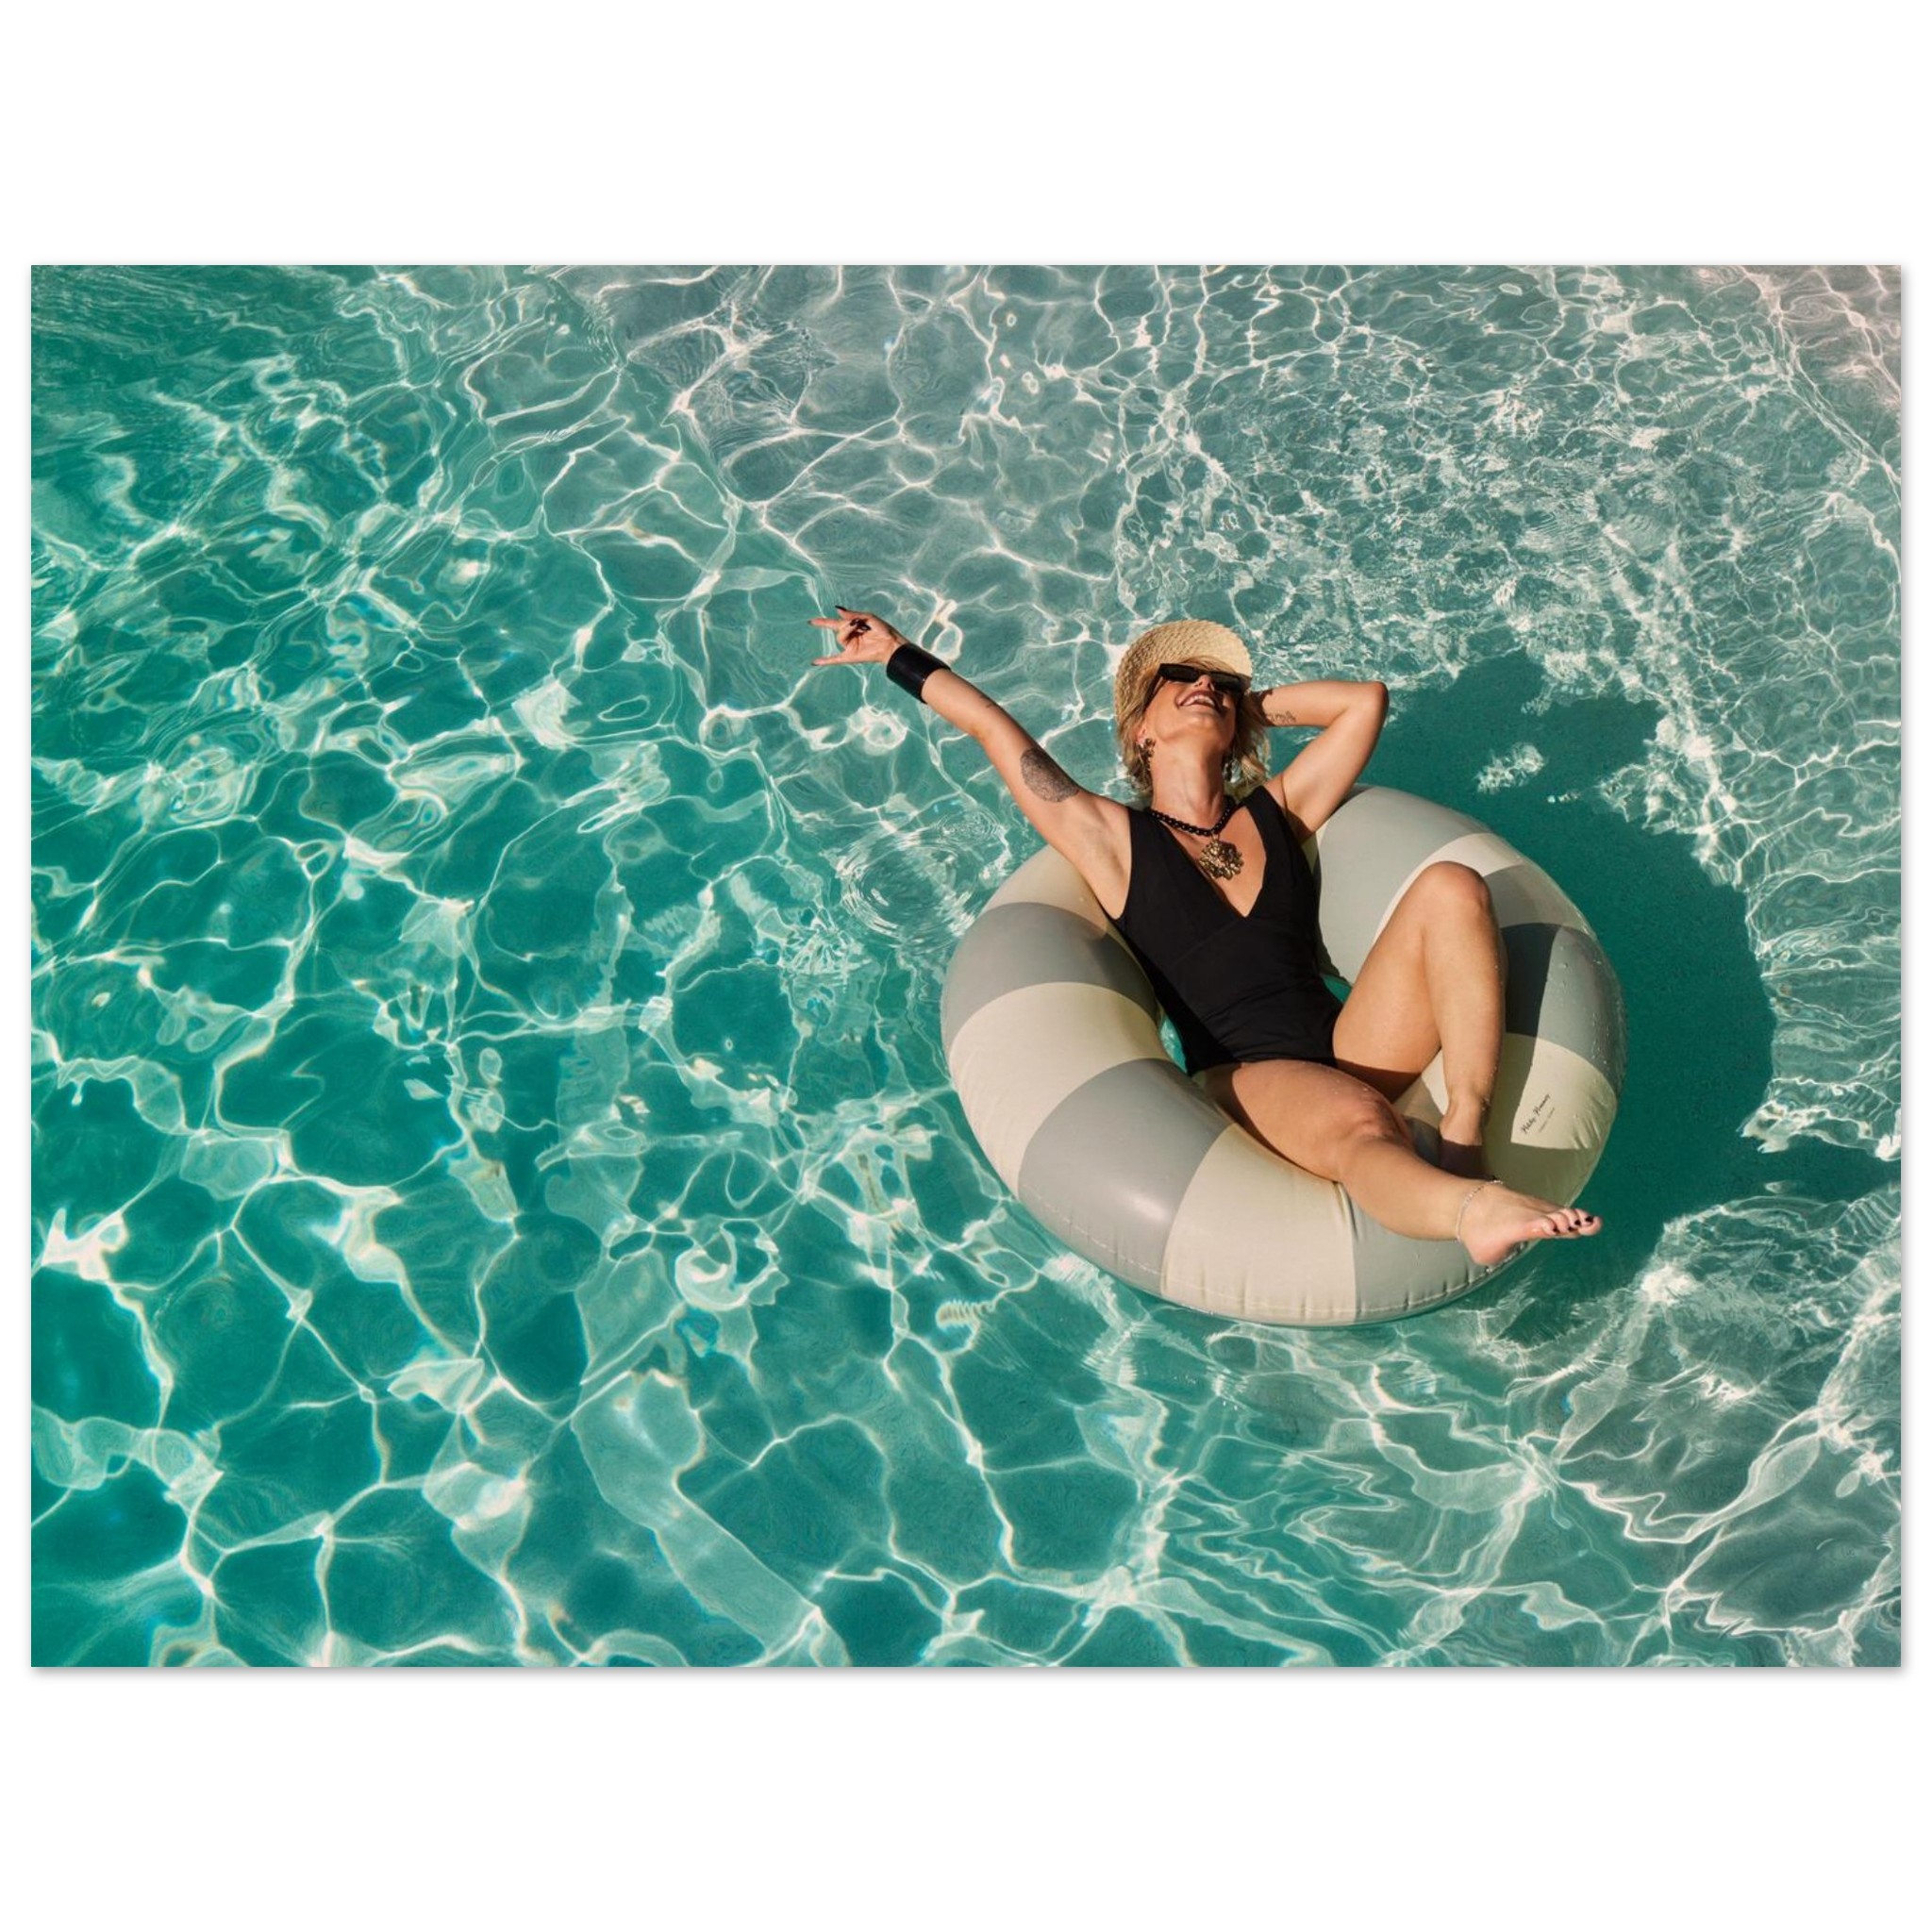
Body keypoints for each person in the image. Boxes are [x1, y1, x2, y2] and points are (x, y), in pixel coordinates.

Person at [808, 607, 1601, 1270]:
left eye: (1221, 685)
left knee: (1452, 886)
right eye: (1179, 679)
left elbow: (1364, 703)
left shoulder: (1277, 814)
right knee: (1365, 1123)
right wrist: (893, 653)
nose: (1205, 686)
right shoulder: (1113, 840)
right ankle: (1470, 1212)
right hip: (1245, 1074)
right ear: (1140, 732)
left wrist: (1240, 711)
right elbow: (991, 730)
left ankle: (1464, 1135)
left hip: (1350, 1043)